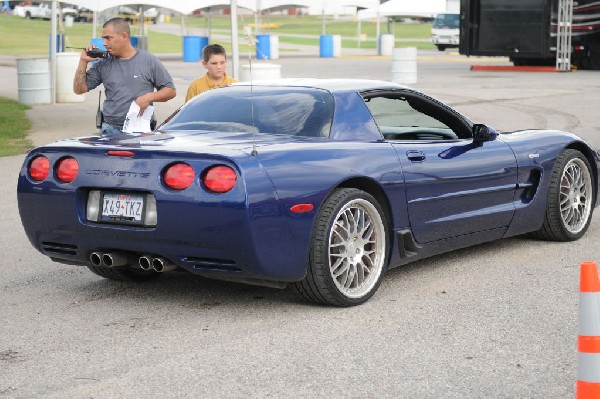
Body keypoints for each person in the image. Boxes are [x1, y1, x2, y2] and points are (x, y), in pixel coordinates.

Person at [73, 17, 176, 136]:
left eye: (108, 38)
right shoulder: (103, 63)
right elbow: (79, 90)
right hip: (110, 130)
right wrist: (83, 62)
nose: (104, 43)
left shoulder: (149, 61)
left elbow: (170, 91)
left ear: (124, 36)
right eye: (103, 38)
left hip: (141, 130)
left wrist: (149, 97)